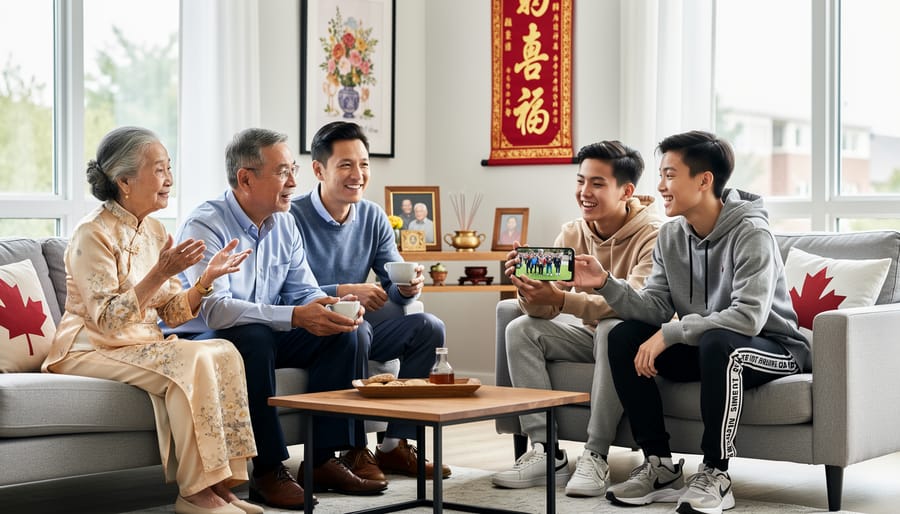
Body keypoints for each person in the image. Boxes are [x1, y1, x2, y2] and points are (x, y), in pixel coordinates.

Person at [571, 131, 810, 514]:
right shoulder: (671, 235)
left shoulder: (752, 233)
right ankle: (659, 466)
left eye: (670, 175)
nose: (660, 186)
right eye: (661, 175)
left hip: (774, 349)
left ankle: (716, 473)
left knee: (719, 342)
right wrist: (605, 283)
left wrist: (671, 334)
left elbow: (748, 318)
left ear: (703, 180)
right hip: (710, 347)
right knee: (622, 335)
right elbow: (655, 306)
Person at [42, 127, 261, 514]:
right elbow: (108, 320)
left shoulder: (156, 230)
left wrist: (205, 280)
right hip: (87, 347)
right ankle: (195, 493)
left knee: (224, 350)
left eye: (169, 168)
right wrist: (160, 273)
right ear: (124, 181)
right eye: (159, 169)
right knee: (192, 358)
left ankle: (220, 482)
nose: (169, 179)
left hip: (140, 343)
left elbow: (173, 311)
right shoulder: (91, 233)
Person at [168, 128, 388, 511]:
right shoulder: (206, 225)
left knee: (347, 333)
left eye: (293, 171)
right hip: (203, 340)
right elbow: (215, 309)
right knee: (253, 336)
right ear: (245, 179)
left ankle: (321, 460)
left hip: (265, 331)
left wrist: (329, 306)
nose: (293, 183)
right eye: (282, 172)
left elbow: (302, 289)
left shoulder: (284, 223)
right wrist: (295, 316)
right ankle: (268, 471)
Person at [491, 141, 662, 497]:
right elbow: (547, 309)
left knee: (612, 329)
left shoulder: (654, 234)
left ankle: (595, 455)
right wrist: (530, 291)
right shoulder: (572, 233)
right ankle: (546, 452)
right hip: (591, 337)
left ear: (626, 191)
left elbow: (636, 305)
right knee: (520, 328)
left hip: (640, 344)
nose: (584, 192)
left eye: (597, 183)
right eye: (581, 181)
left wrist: (562, 298)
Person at [290, 121, 449, 480]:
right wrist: (341, 290)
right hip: (309, 328)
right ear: (319, 170)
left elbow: (392, 281)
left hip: (356, 323)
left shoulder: (373, 216)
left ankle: (394, 446)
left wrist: (408, 288)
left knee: (429, 327)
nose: (358, 174)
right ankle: (353, 450)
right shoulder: (291, 217)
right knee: (355, 331)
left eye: (363, 164)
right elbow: (286, 289)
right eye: (345, 165)